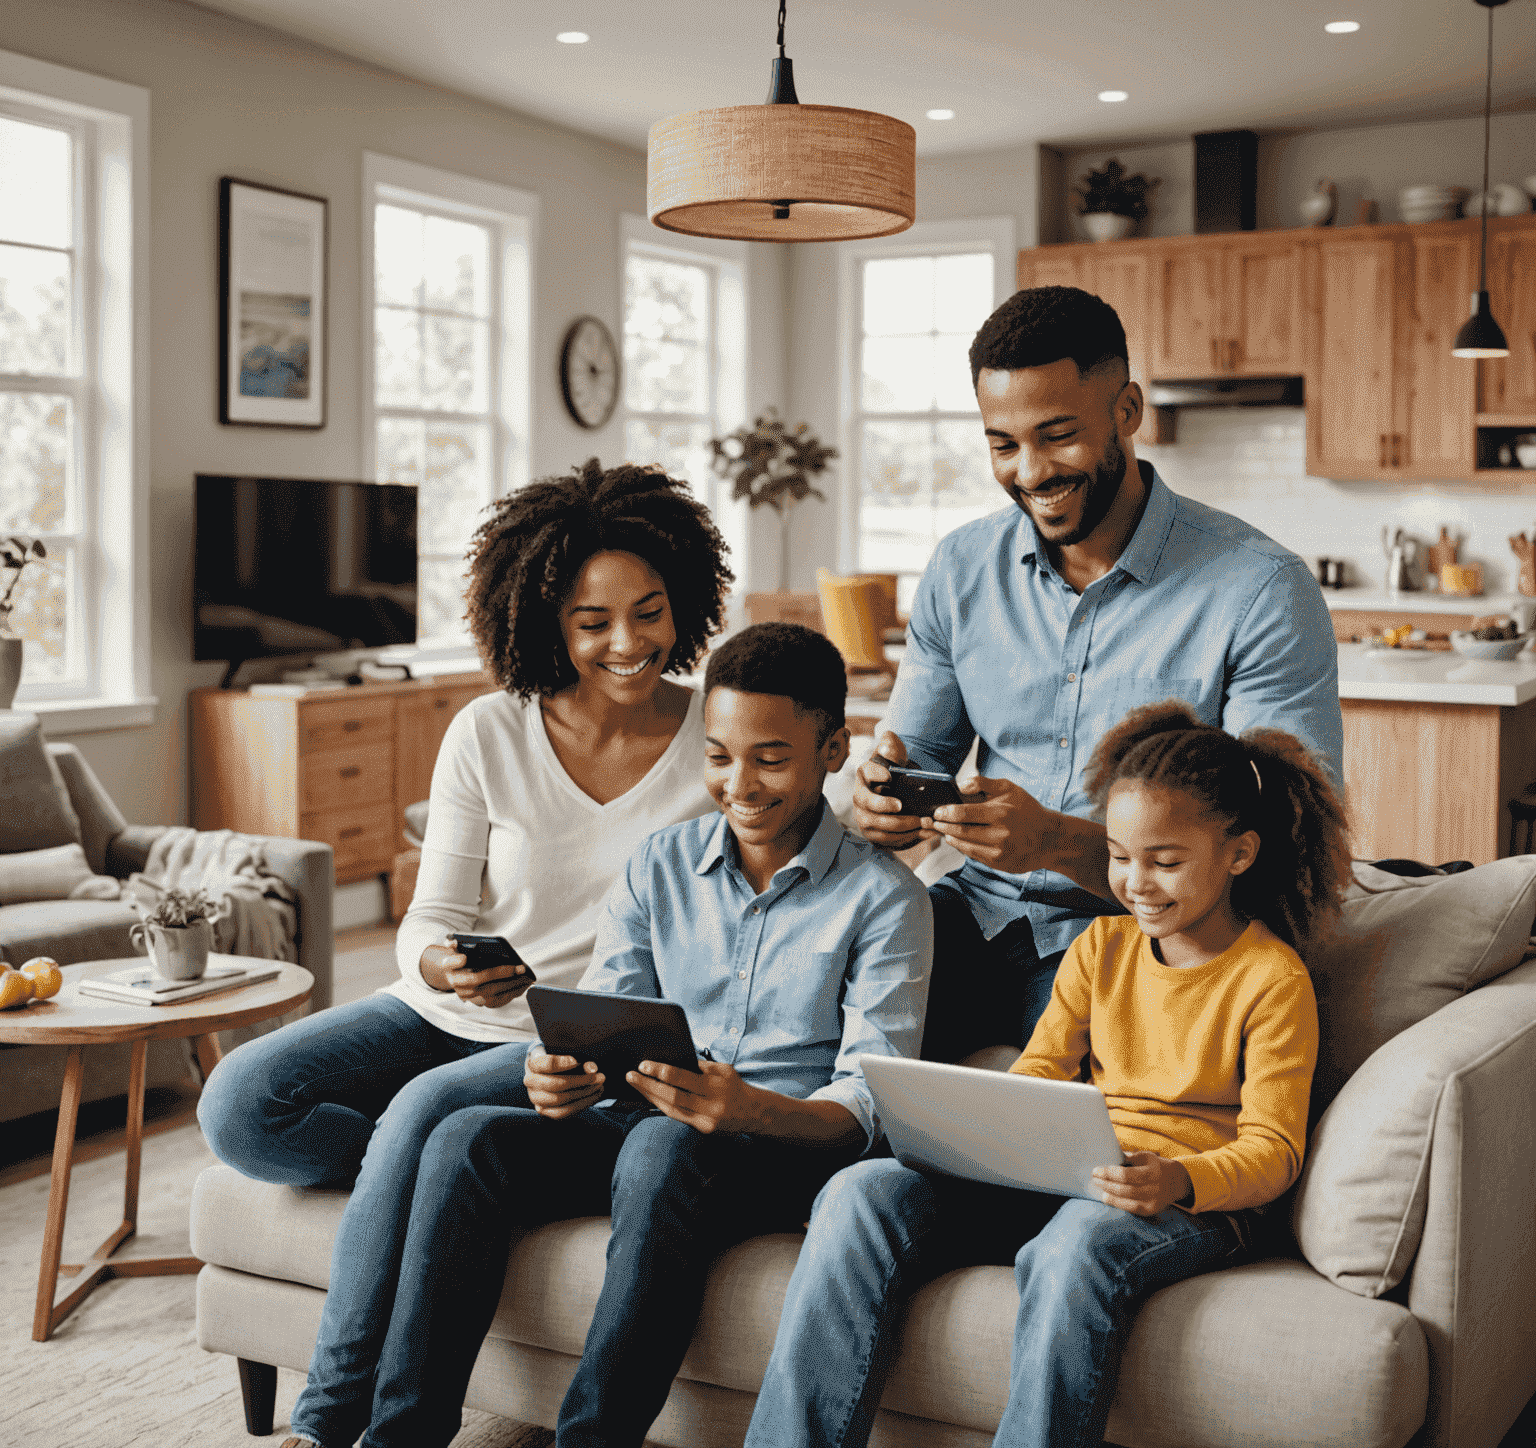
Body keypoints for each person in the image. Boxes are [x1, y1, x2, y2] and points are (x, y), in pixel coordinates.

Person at [196, 457, 733, 1448]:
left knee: (418, 1115)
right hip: (451, 1007)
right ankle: (420, 1183)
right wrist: (440, 960)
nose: (628, 643)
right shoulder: (489, 729)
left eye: (650, 612)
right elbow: (432, 912)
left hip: (577, 1034)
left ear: (688, 600)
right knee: (241, 1104)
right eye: (591, 621)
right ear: (542, 619)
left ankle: (328, 1421)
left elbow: (814, 825)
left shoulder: (720, 736)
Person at [323, 622, 932, 1448]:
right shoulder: (660, 865)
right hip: (652, 1126)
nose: (740, 784)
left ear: (833, 750)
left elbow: (871, 1097)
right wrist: (563, 1075)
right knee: (467, 1136)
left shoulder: (886, 900)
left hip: (781, 1147)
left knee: (662, 1149)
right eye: (718, 757)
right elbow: (607, 1020)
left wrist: (745, 1107)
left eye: (771, 758)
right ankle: (400, 1436)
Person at [744, 700, 1352, 1448]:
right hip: (1075, 1172)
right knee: (864, 1189)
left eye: (1165, 862)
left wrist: (1179, 1179)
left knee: (1076, 1244)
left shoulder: (1271, 979)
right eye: (1122, 857)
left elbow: (1275, 1150)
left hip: (1186, 1200)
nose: (1136, 883)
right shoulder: (1100, 949)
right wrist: (989, 1133)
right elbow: (1035, 1079)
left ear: (1240, 854)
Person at [855, 284, 1344, 1062]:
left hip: (1141, 936)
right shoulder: (960, 569)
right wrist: (884, 800)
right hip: (969, 915)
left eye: (1058, 436)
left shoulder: (1259, 589)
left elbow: (1282, 854)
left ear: (1128, 411)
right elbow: (916, 757)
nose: (1031, 471)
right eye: (1003, 444)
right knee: (826, 1057)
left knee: (1038, 1131)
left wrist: (1056, 841)